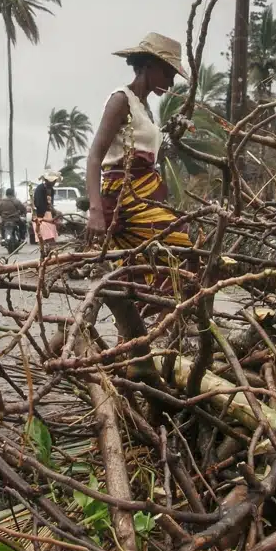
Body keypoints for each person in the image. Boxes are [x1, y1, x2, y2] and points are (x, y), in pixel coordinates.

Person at [84, 33, 196, 341]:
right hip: (126, 200)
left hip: (146, 196)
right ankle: (153, 337)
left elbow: (145, 152)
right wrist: (95, 210)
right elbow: (94, 158)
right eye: (169, 73)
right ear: (148, 66)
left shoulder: (145, 108)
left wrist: (172, 132)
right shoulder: (121, 100)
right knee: (181, 251)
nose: (172, 83)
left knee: (141, 272)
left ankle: (138, 343)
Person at [31, 171, 60, 251]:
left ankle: (50, 256)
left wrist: (55, 213)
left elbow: (50, 205)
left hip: (49, 216)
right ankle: (48, 256)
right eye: (50, 181)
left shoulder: (52, 190)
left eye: (54, 181)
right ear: (46, 180)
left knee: (51, 239)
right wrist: (40, 219)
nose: (52, 183)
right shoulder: (40, 189)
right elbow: (39, 204)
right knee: (48, 239)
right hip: (40, 217)